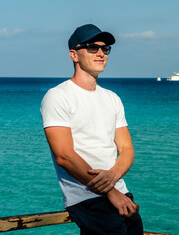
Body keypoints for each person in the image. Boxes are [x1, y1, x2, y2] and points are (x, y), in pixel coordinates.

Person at [40, 24, 143, 235]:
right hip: (86, 198)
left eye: (105, 49)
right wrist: (110, 191)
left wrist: (114, 175)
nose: (100, 53)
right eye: (91, 47)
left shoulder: (112, 98)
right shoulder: (58, 96)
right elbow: (64, 156)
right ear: (74, 55)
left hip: (122, 193)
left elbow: (126, 149)